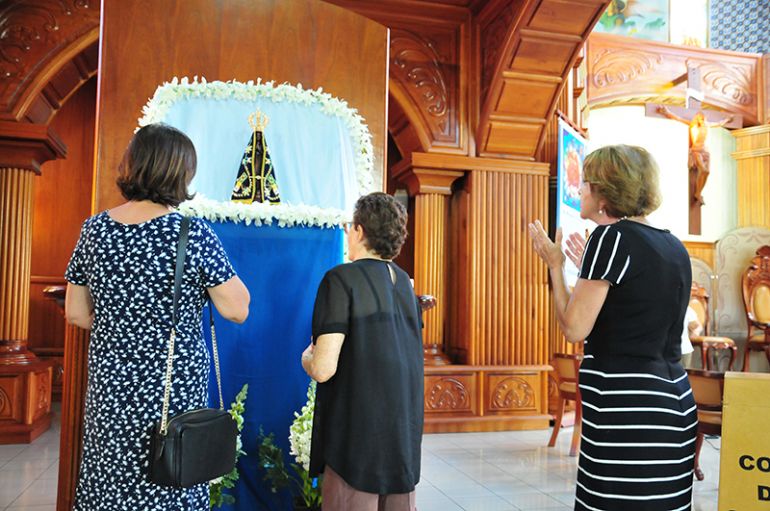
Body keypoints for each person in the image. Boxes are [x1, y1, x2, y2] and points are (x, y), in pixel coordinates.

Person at [64, 123, 250, 511]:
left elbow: (76, 313)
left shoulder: (94, 229)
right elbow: (236, 309)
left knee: (110, 479)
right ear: (181, 173)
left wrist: (125, 329)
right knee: (171, 479)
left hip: (110, 390)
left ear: (132, 165)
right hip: (172, 389)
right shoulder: (191, 233)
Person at [529, 144, 696, 511]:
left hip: (629, 408)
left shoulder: (609, 238)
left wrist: (555, 265)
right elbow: (627, 317)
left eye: (585, 183)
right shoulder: (673, 246)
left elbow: (574, 328)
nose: (579, 191)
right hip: (674, 402)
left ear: (606, 191)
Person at [302, 192, 423, 511]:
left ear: (358, 230)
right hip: (401, 440)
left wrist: (306, 357)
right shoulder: (405, 285)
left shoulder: (341, 279)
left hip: (357, 442)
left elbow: (323, 368)